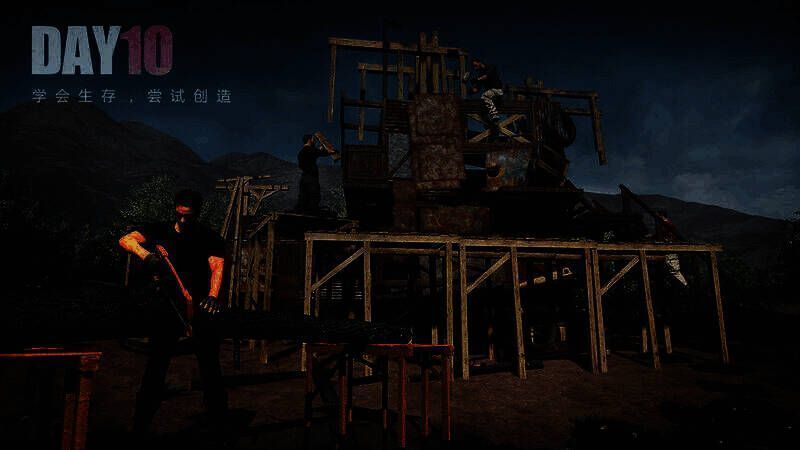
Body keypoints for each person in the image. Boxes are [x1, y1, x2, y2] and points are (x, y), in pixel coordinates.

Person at [118, 189, 228, 439]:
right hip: (167, 308)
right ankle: (139, 429)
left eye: (188, 216)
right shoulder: (159, 230)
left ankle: (220, 430)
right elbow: (126, 240)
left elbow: (217, 267)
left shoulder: (209, 237)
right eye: (179, 215)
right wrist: (146, 256)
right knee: (155, 368)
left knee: (210, 370)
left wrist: (213, 295)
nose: (182, 220)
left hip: (199, 307)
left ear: (197, 214)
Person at [295, 133, 338, 214]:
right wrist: (334, 151)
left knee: (303, 196)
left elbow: (315, 153)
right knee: (314, 196)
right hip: (311, 178)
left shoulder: (301, 152)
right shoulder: (310, 150)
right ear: (309, 140)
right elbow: (324, 153)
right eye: (313, 139)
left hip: (304, 178)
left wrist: (319, 150)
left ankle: (302, 212)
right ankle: (312, 213)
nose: (314, 140)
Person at [466, 57, 504, 127]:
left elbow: (486, 76)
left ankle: (495, 116)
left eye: (475, 65)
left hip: (497, 90)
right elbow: (477, 89)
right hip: (491, 94)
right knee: (483, 107)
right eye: (474, 66)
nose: (475, 68)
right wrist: (471, 90)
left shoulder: (490, 67)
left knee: (484, 96)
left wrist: (477, 79)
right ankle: (489, 123)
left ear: (479, 62)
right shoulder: (480, 74)